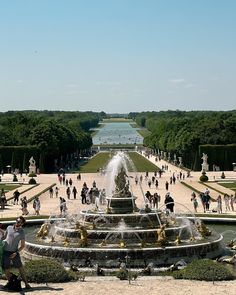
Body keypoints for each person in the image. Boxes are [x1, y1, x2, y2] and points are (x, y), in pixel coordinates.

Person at [2, 216, 31, 290]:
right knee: (6, 269)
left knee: (21, 269)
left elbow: (22, 245)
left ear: (22, 224)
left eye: (20, 222)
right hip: (6, 251)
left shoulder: (22, 232)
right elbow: (4, 237)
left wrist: (16, 253)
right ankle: (11, 283)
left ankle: (26, 284)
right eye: (17, 221)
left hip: (14, 253)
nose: (18, 222)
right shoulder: (9, 227)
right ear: (16, 220)